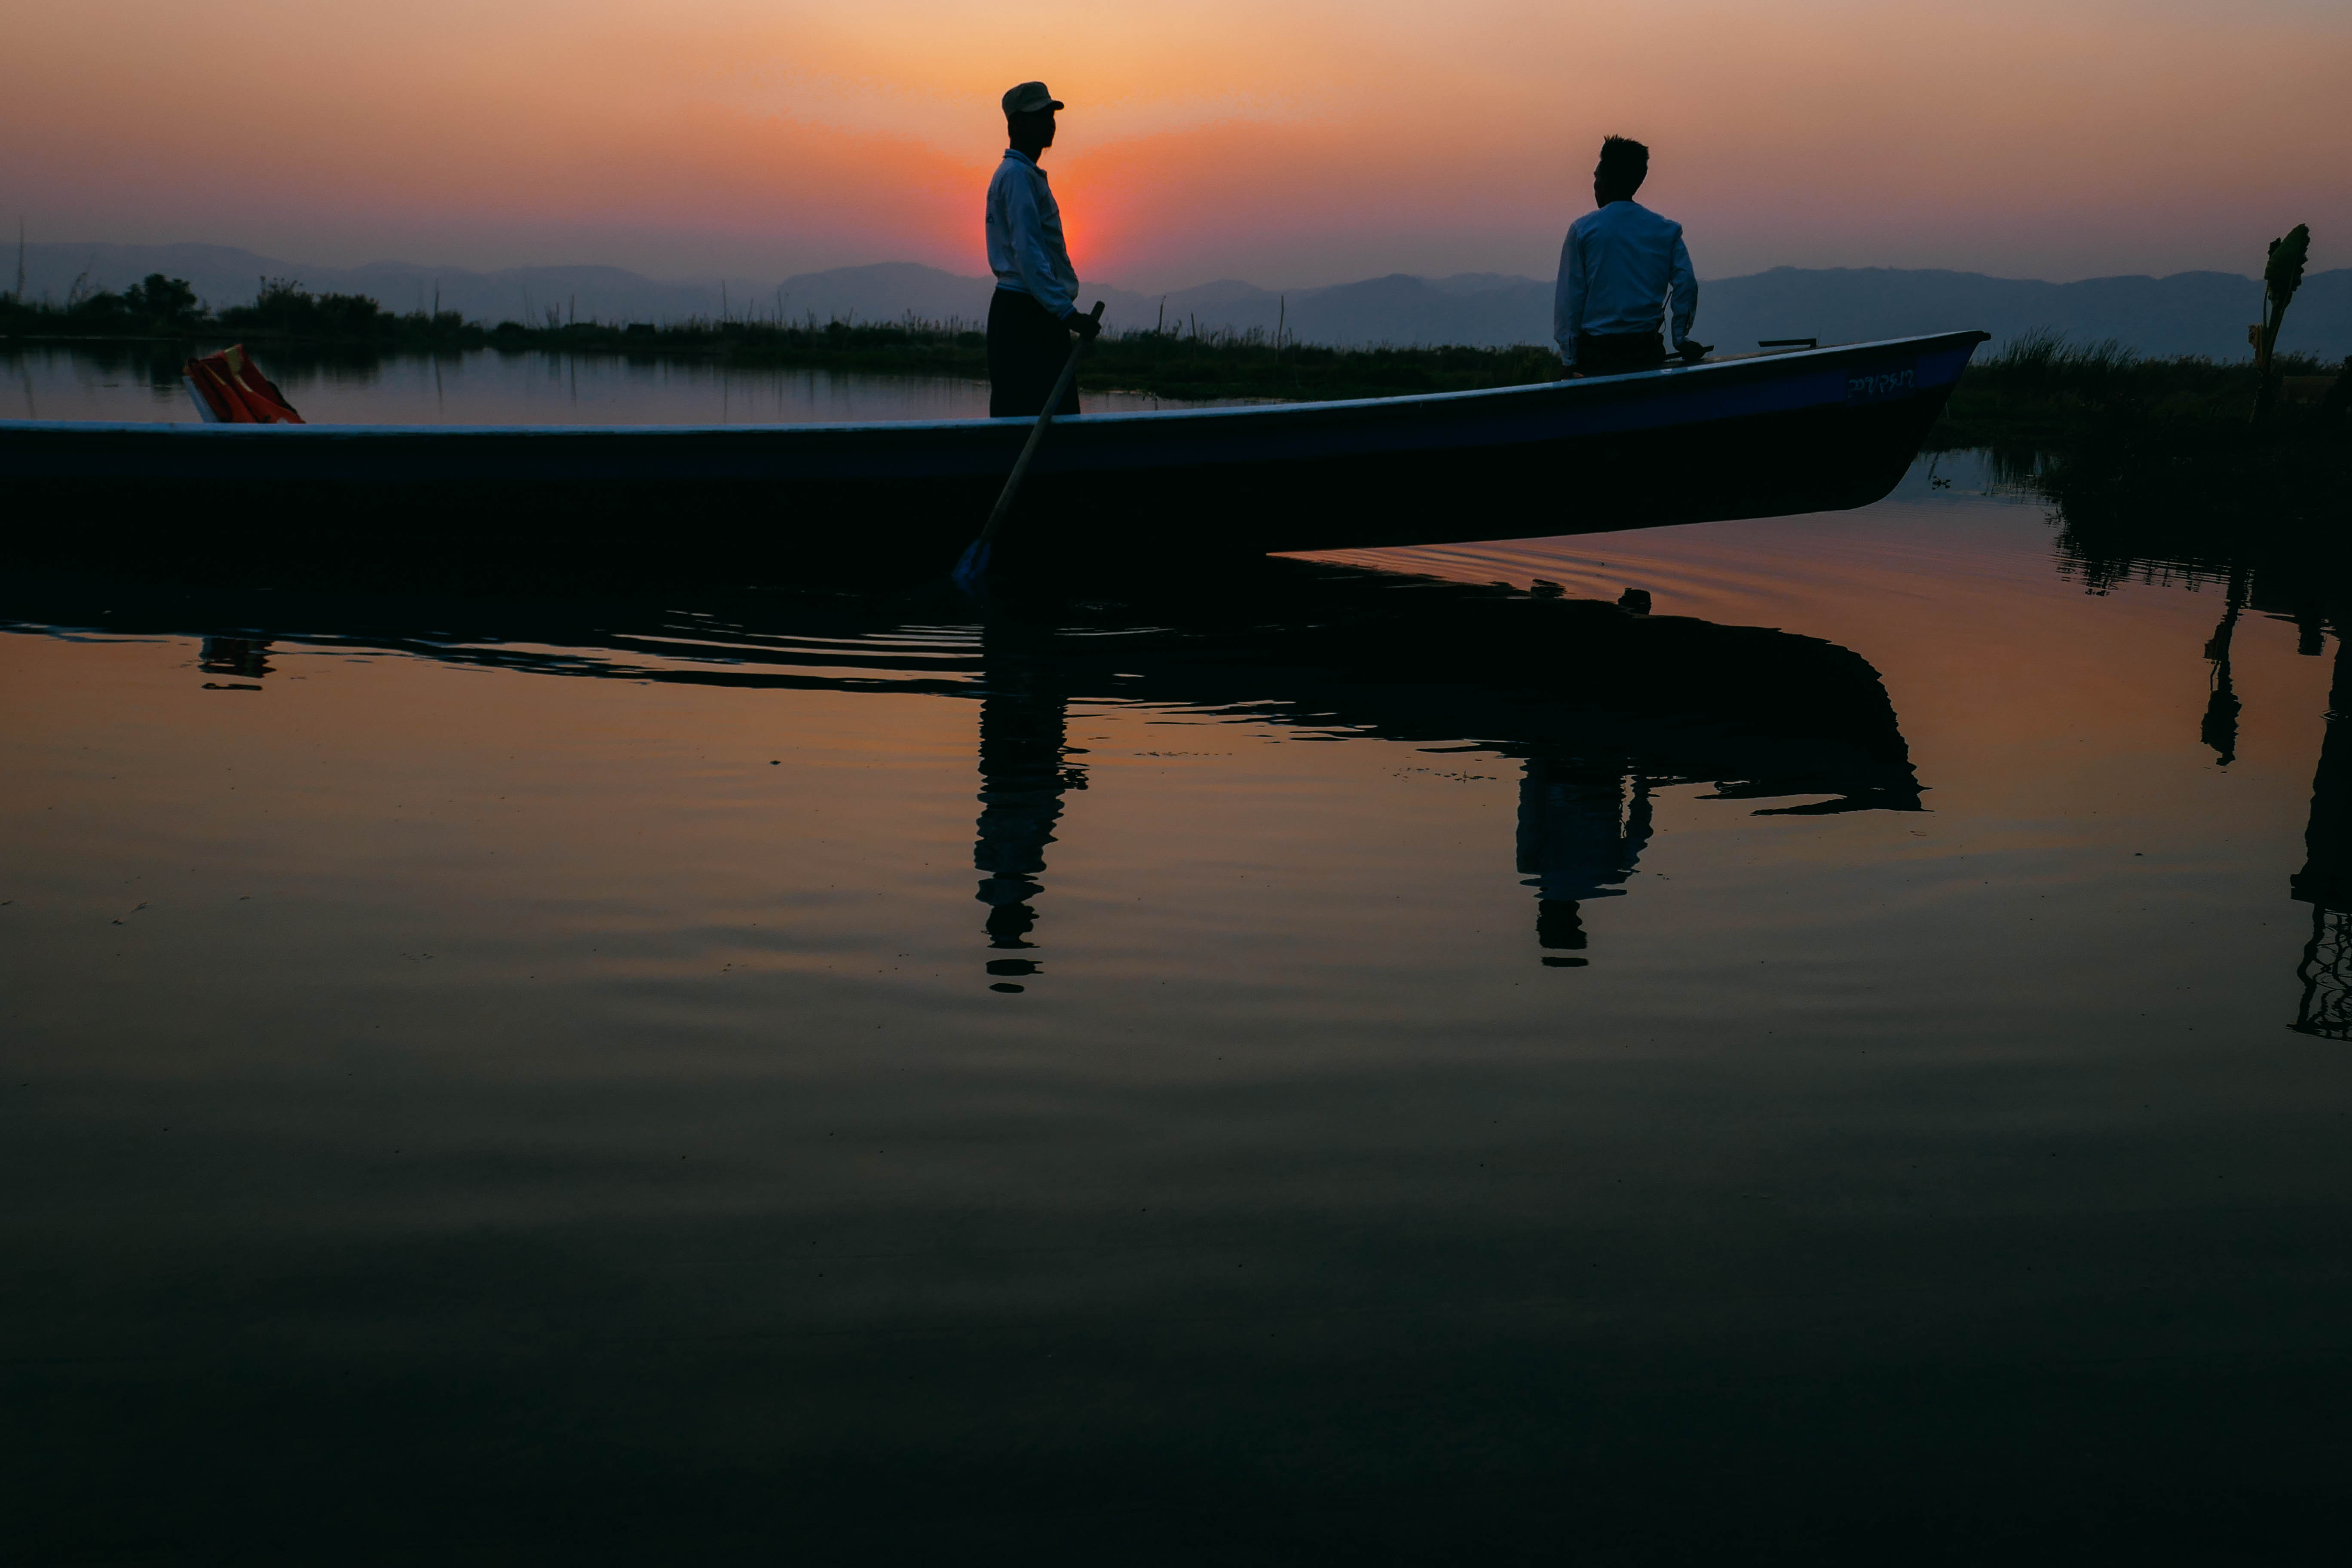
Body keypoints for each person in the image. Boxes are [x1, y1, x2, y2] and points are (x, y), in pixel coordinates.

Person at [986, 80, 1101, 418]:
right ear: (1015, 124)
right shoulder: (1017, 176)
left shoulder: (1022, 175)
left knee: (1040, 417)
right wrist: (1066, 313)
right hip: (1027, 313)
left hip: (1031, 310)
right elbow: (1028, 251)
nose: (1049, 124)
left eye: (1051, 115)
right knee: (1030, 419)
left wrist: (1060, 311)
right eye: (1040, 116)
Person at [1553, 135, 1709, 377]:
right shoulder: (1666, 230)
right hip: (1647, 352)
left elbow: (1570, 301)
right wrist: (1681, 338)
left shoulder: (1583, 231)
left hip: (1597, 357)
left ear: (1606, 181)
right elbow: (1686, 285)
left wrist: (1569, 359)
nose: (1594, 185)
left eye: (1596, 177)